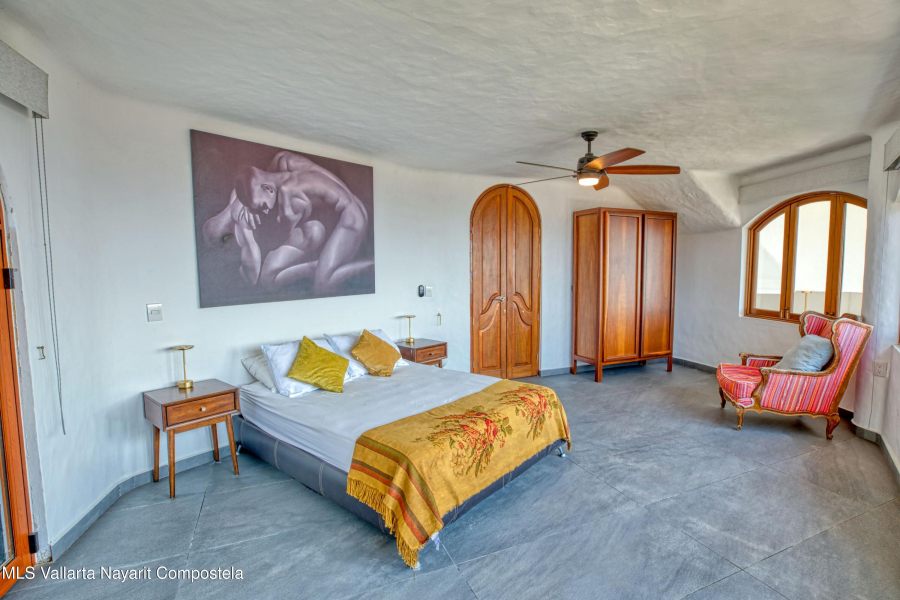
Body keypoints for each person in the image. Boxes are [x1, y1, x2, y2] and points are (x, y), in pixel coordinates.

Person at [201, 152, 371, 294]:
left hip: (351, 220)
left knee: (322, 285)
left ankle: (371, 266)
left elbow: (280, 239)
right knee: (279, 275)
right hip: (353, 204)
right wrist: (247, 203)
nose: (265, 211)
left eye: (262, 206)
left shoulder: (288, 196)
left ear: (268, 188)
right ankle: (321, 265)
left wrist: (248, 228)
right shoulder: (283, 161)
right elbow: (255, 183)